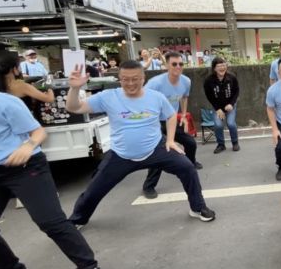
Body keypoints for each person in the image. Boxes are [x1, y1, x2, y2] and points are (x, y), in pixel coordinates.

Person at [65, 60, 215, 228]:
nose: (130, 83)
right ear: (119, 79)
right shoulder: (108, 96)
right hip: (121, 155)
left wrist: (171, 140)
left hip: (155, 149)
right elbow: (74, 107)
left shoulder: (155, 97)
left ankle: (197, 207)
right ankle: (78, 219)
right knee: (94, 189)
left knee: (187, 168)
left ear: (143, 78)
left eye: (135, 78)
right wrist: (75, 88)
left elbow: (171, 115)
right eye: (125, 79)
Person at [0, 89, 110, 269]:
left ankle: (90, 268)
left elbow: (39, 132)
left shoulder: (5, 102)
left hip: (26, 166)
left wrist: (28, 145)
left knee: (50, 221)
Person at [141, 52, 202, 200]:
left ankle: (190, 163)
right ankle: (148, 186)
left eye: (181, 64)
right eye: (174, 64)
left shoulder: (186, 81)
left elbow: (184, 98)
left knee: (190, 143)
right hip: (155, 122)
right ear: (167, 65)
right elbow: (143, 101)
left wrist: (184, 116)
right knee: (160, 154)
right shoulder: (155, 83)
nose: (178, 67)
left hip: (172, 120)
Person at [203, 57, 240, 154]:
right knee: (218, 125)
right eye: (219, 66)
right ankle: (221, 144)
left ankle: (235, 143)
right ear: (214, 68)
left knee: (231, 123)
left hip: (230, 105)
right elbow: (209, 96)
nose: (222, 68)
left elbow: (236, 91)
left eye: (224, 65)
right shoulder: (208, 80)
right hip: (217, 107)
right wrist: (217, 109)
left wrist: (231, 104)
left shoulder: (232, 77)